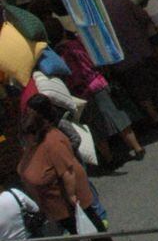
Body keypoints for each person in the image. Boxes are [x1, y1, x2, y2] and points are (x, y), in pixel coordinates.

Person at [17, 95, 117, 241]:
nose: (26, 140)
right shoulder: (37, 142)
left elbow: (67, 171)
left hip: (67, 193)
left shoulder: (53, 140)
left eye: (28, 135)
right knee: (73, 226)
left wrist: (71, 195)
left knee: (83, 220)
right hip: (56, 198)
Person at [56, 25, 145, 164]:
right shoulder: (80, 43)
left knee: (95, 127)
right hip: (98, 82)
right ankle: (137, 147)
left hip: (82, 92)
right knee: (118, 117)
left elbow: (72, 76)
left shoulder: (59, 55)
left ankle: (109, 159)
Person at [103, 0, 158, 127]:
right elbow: (143, 17)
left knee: (140, 92)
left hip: (122, 61)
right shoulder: (122, 0)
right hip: (142, 49)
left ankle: (156, 119)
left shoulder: (95, 17)